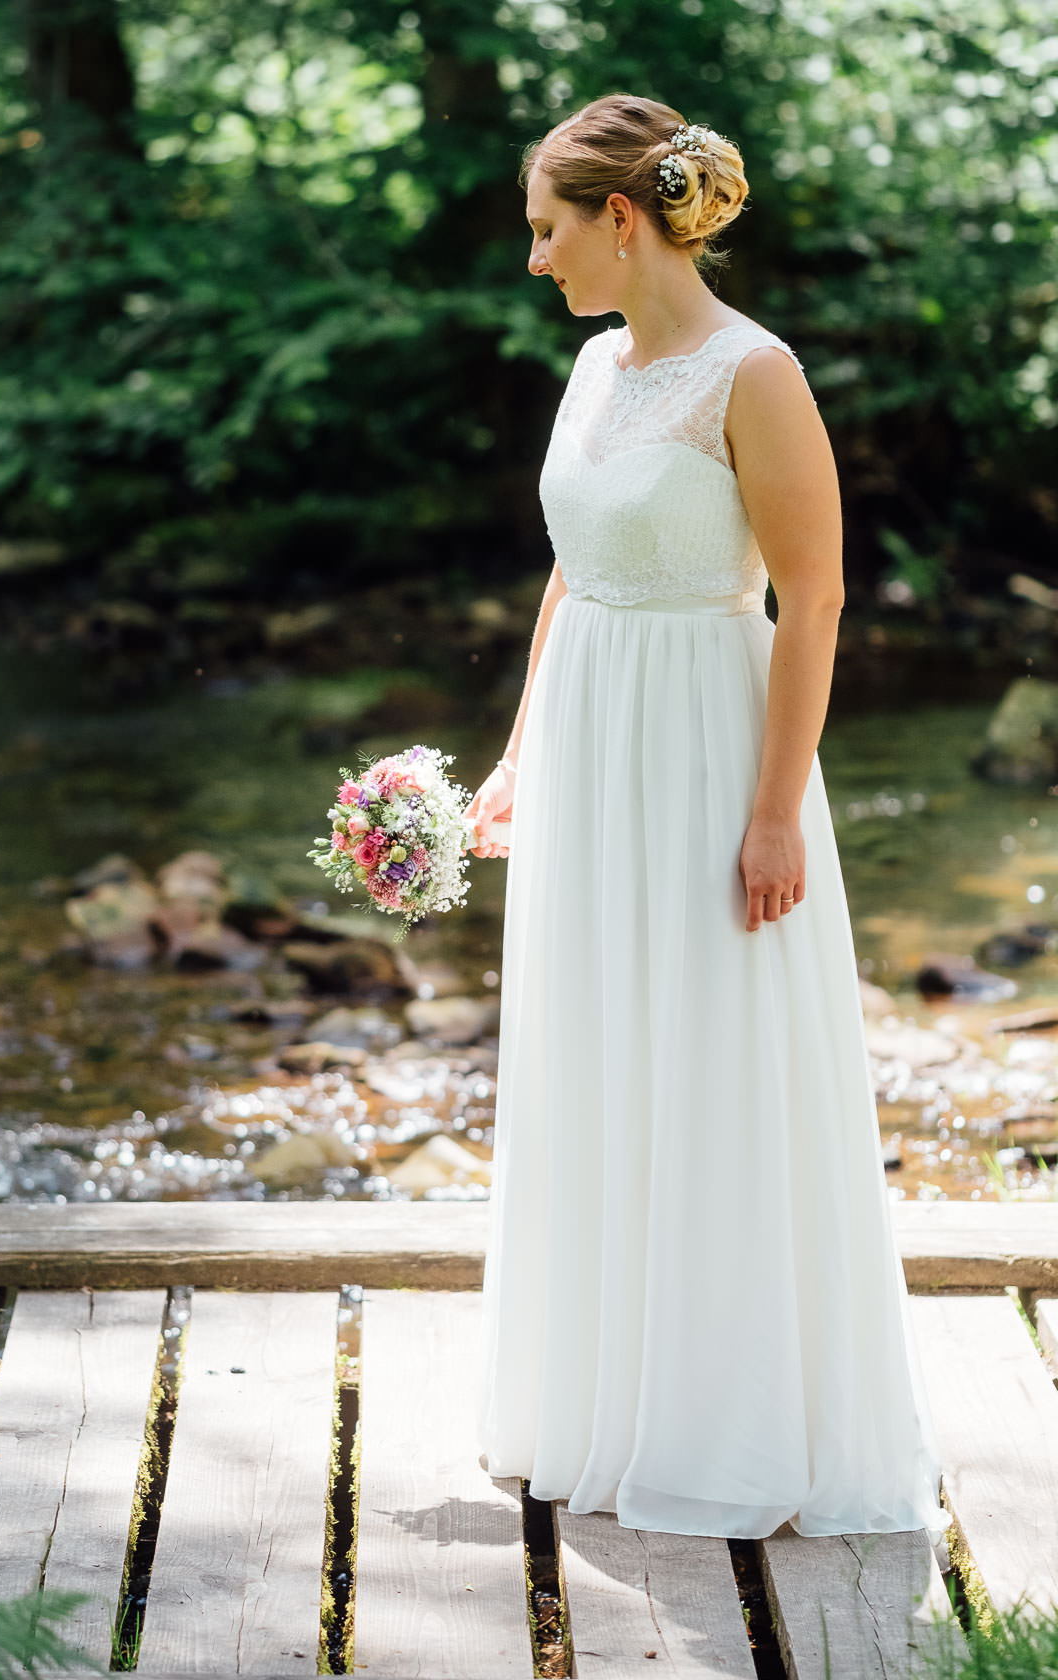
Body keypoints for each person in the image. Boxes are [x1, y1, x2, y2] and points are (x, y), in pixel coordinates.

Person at [461, 92, 951, 1544]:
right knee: (596, 1057)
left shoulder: (758, 372)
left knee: (710, 1058)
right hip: (592, 748)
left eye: (551, 229)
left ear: (624, 217)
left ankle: (725, 1417)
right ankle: (595, 1394)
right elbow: (571, 574)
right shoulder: (591, 371)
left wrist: (777, 813)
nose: (536, 259)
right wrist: (514, 758)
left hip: (708, 747)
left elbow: (818, 598)